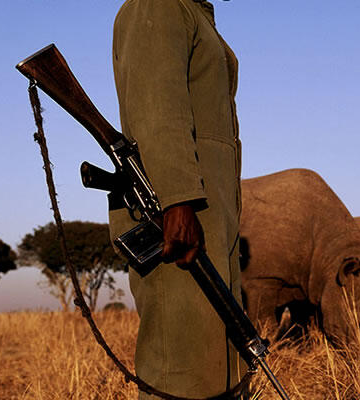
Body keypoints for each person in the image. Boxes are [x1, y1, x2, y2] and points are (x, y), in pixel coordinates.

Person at [110, 0, 244, 398]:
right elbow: (157, 109)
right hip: (178, 215)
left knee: (217, 362)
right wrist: (177, 200)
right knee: (182, 370)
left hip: (210, 211)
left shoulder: (195, 12)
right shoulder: (160, 5)